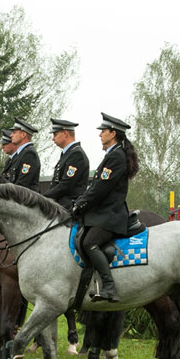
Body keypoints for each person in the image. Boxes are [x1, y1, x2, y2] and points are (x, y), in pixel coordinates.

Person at [72, 113, 140, 303]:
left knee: (90, 243)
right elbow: (96, 186)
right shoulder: (112, 154)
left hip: (110, 214)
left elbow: (101, 188)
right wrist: (80, 201)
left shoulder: (116, 156)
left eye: (103, 131)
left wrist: (81, 204)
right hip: (102, 213)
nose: (100, 134)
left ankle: (109, 287)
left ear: (113, 133)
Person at [43, 118, 89, 209]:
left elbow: (66, 185)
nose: (53, 138)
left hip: (68, 207)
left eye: (55, 134)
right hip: (59, 204)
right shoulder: (68, 153)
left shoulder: (76, 154)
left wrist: (43, 197)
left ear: (65, 133)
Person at [2, 117, 41, 192]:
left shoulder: (29, 154)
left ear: (23, 135)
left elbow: (22, 184)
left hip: (26, 198)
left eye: (14, 132)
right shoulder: (20, 154)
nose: (11, 135)